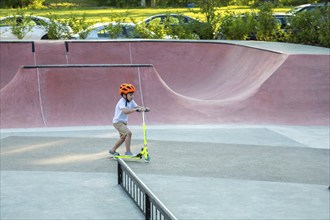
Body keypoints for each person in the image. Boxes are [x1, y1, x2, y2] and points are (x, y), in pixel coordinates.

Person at [109, 83, 149, 156]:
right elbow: (125, 111)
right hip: (118, 122)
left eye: (133, 94)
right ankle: (128, 152)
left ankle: (112, 150)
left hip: (123, 123)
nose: (132, 96)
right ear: (124, 95)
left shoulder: (131, 101)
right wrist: (135, 109)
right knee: (128, 133)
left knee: (123, 137)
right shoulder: (122, 101)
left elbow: (137, 107)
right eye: (130, 95)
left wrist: (143, 108)